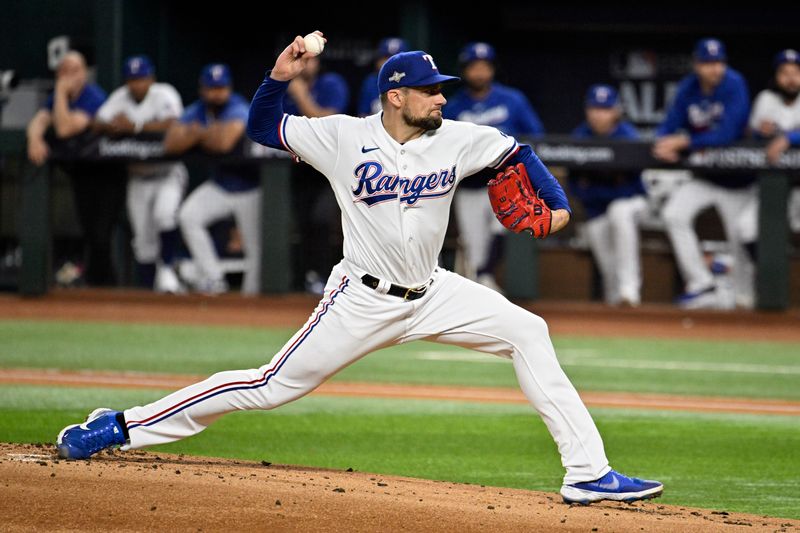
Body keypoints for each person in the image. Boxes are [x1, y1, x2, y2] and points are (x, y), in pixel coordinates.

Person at [56, 33, 663, 506]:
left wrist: (556, 208)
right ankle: (121, 425)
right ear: (397, 96)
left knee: (529, 331)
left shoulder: (455, 137)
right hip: (361, 298)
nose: (443, 98)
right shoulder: (342, 136)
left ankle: (587, 473)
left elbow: (518, 152)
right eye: (432, 90)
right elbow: (263, 128)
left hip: (434, 291)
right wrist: (277, 77)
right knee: (268, 387)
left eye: (443, 89)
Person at [653, 38, 753, 309]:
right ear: (698, 65)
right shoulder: (689, 87)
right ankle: (701, 283)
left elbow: (728, 132)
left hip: (738, 180)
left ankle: (746, 302)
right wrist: (665, 144)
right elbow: (669, 125)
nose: (715, 69)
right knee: (673, 214)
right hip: (705, 177)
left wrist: (684, 143)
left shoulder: (734, 83)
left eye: (719, 62)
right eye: (708, 63)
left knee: (737, 239)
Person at [443, 42, 545, 291]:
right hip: (470, 183)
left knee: (502, 226)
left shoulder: (512, 99)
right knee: (474, 245)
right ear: (465, 71)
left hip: (506, 180)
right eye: (473, 67)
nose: (479, 72)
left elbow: (537, 137)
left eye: (484, 67)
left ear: (492, 69)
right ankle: (483, 286)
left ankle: (487, 276)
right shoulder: (454, 105)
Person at [26, 51, 125, 286]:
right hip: (83, 173)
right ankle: (96, 287)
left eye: (75, 70)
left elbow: (64, 129)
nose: (69, 76)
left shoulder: (94, 96)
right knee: (90, 232)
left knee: (101, 234)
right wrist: (34, 139)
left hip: (109, 173)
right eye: (64, 71)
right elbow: (39, 121)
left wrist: (60, 92)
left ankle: (107, 288)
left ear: (84, 73)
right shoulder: (56, 99)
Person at [94, 55, 188, 293]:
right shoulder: (120, 97)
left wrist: (134, 127)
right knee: (143, 242)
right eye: (133, 79)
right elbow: (97, 124)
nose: (137, 84)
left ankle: (167, 271)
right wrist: (112, 128)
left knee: (165, 216)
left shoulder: (164, 93)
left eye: (142, 78)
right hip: (137, 176)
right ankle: (147, 296)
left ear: (151, 78)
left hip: (167, 172)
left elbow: (174, 124)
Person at [165, 63, 260, 295]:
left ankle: (255, 303)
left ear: (229, 88)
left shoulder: (238, 105)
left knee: (257, 251)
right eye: (212, 88)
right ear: (202, 89)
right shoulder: (198, 109)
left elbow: (224, 142)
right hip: (221, 186)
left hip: (251, 188)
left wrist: (197, 134)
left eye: (221, 87)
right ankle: (213, 278)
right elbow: (170, 144)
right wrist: (207, 133)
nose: (217, 92)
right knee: (188, 216)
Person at [570, 85, 648, 306]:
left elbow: (631, 187)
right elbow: (576, 186)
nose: (598, 114)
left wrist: (597, 189)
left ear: (615, 111)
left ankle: (630, 289)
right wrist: (608, 188)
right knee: (599, 237)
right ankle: (616, 301)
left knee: (619, 212)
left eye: (604, 109)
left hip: (634, 205)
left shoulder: (628, 135)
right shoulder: (580, 135)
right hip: (597, 210)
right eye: (594, 108)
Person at [283, 53, 350, 293]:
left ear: (318, 63)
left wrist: (301, 97)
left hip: (329, 170)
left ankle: (327, 277)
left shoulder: (331, 83)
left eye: (310, 59)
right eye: (301, 59)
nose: (306, 64)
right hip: (298, 169)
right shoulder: (285, 86)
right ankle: (305, 278)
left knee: (321, 220)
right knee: (300, 225)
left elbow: (329, 121)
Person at [738, 49, 800, 252]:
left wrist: (788, 138)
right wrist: (759, 134)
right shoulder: (765, 99)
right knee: (745, 228)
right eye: (785, 73)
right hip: (769, 181)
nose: (791, 79)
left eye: (796, 73)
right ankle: (766, 279)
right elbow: (750, 136)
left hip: (798, 185)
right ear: (776, 76)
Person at [357, 37, 410, 117]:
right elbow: (363, 115)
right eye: (385, 58)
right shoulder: (371, 81)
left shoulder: (415, 82)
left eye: (395, 58)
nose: (390, 63)